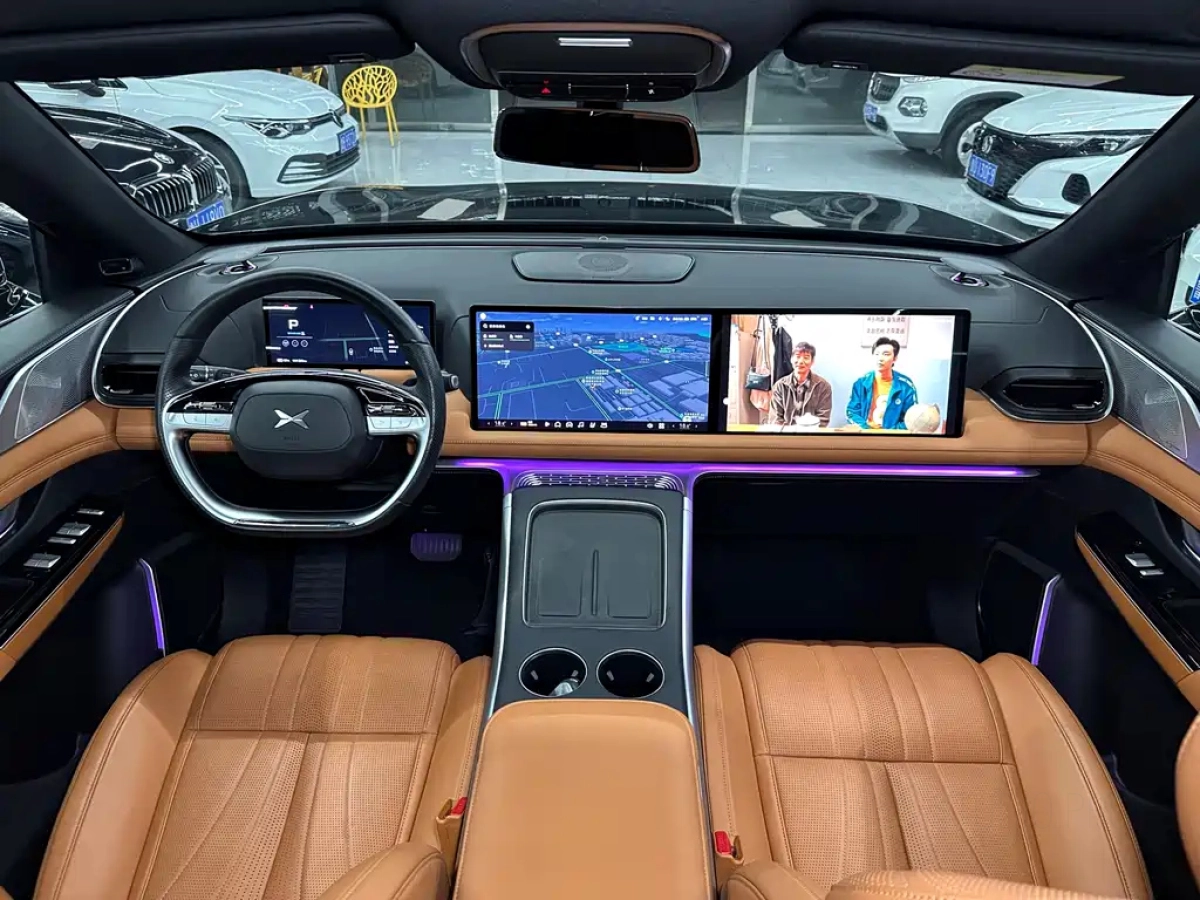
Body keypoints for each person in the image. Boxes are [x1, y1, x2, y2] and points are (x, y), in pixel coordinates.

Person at [845, 336, 918, 430]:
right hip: (865, 434)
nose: (880, 358)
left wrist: (890, 432)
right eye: (877, 354)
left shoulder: (906, 386)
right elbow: (851, 412)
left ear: (895, 358)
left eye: (886, 354)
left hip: (894, 436)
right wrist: (866, 429)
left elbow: (912, 419)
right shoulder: (861, 383)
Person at [767, 342, 832, 427]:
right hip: (785, 434)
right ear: (791, 359)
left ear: (812, 362)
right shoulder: (780, 386)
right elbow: (775, 419)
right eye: (797, 356)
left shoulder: (823, 386)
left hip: (812, 433)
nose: (801, 361)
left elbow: (822, 419)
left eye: (806, 357)